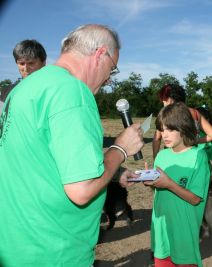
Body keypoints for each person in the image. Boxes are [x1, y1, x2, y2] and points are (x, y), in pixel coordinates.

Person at [0, 24, 144, 266]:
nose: (108, 79)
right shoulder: (72, 92)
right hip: (54, 250)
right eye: (112, 69)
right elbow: (82, 190)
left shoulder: (23, 89)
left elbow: (41, 158)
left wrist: (113, 172)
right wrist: (119, 149)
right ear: (100, 54)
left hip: (15, 242)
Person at [130, 102, 209, 266]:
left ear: (184, 128)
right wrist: (150, 182)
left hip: (184, 231)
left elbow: (195, 199)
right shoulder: (161, 156)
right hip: (162, 228)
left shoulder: (198, 157)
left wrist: (169, 184)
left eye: (171, 129)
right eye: (162, 129)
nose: (164, 135)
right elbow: (159, 190)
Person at [152, 83, 212, 159]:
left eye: (164, 100)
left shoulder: (166, 115)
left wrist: (155, 159)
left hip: (172, 157)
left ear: (170, 99)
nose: (163, 103)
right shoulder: (195, 113)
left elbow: (157, 139)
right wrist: (194, 141)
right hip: (192, 157)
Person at [0, 39, 46, 115]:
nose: (26, 68)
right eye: (21, 63)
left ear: (43, 62)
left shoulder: (50, 91)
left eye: (31, 63)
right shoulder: (7, 91)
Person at [196, 106, 212, 183]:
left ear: (207, 120)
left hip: (204, 176)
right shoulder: (189, 134)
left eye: (198, 120)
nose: (196, 122)